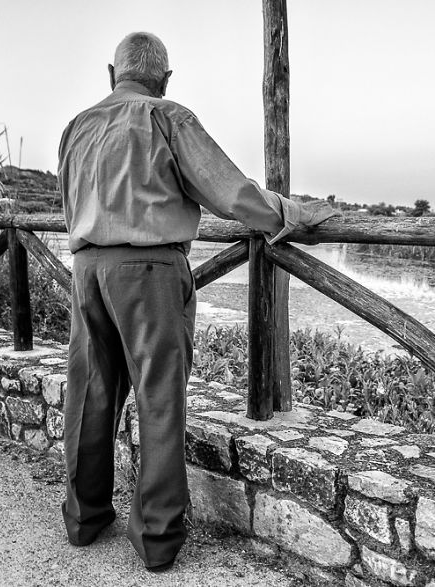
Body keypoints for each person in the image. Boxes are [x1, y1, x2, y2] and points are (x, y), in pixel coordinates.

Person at [57, 31, 335, 572]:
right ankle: (157, 538)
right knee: (158, 399)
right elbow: (230, 192)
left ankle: (84, 518)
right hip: (149, 271)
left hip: (87, 268)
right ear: (165, 76)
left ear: (111, 74)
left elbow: (70, 202)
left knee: (89, 393)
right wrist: (293, 213)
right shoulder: (168, 117)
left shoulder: (77, 126)